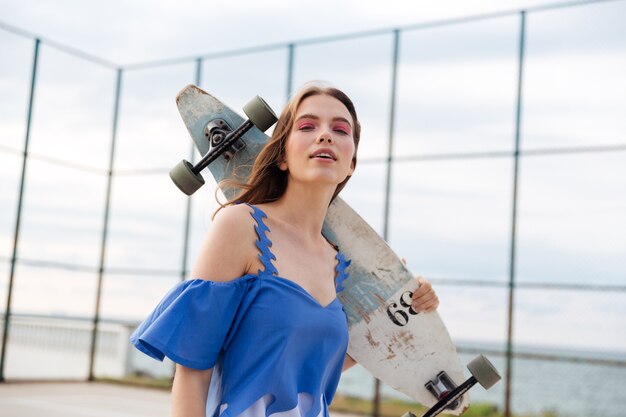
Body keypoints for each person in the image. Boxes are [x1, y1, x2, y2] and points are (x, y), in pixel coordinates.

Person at [130, 82, 440, 417]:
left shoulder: (337, 264)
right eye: (307, 126)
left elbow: (306, 368)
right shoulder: (241, 225)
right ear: (281, 156)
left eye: (340, 129)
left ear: (351, 164)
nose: (325, 135)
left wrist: (405, 307)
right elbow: (192, 373)